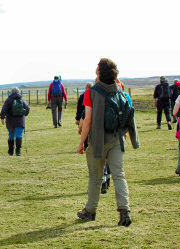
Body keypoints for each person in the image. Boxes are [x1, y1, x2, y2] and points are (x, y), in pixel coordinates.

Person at [76, 58, 139, 226]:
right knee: (119, 175)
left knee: (95, 177)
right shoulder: (119, 90)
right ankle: (124, 212)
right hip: (117, 139)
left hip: (97, 141)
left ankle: (90, 211)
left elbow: (87, 120)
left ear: (98, 72)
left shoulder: (92, 92)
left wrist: (82, 142)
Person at [0, 87, 30, 156]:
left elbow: (3, 109)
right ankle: (18, 151)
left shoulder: (8, 100)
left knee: (11, 135)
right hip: (20, 121)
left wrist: (2, 118)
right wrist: (24, 115)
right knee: (19, 135)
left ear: (11, 92)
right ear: (18, 92)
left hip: (10, 121)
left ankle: (11, 151)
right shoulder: (21, 99)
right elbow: (28, 108)